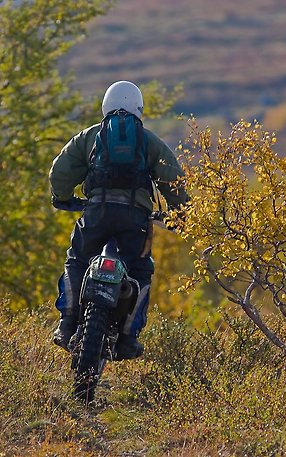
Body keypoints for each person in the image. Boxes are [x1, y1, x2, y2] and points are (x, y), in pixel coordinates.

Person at [49, 80, 187, 359]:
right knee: (140, 270)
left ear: (105, 106)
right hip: (134, 221)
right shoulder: (149, 141)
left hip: (96, 213)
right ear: (139, 108)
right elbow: (173, 181)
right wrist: (180, 214)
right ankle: (127, 337)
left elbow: (59, 172)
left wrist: (63, 197)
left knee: (77, 261)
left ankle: (66, 324)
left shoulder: (89, 137)